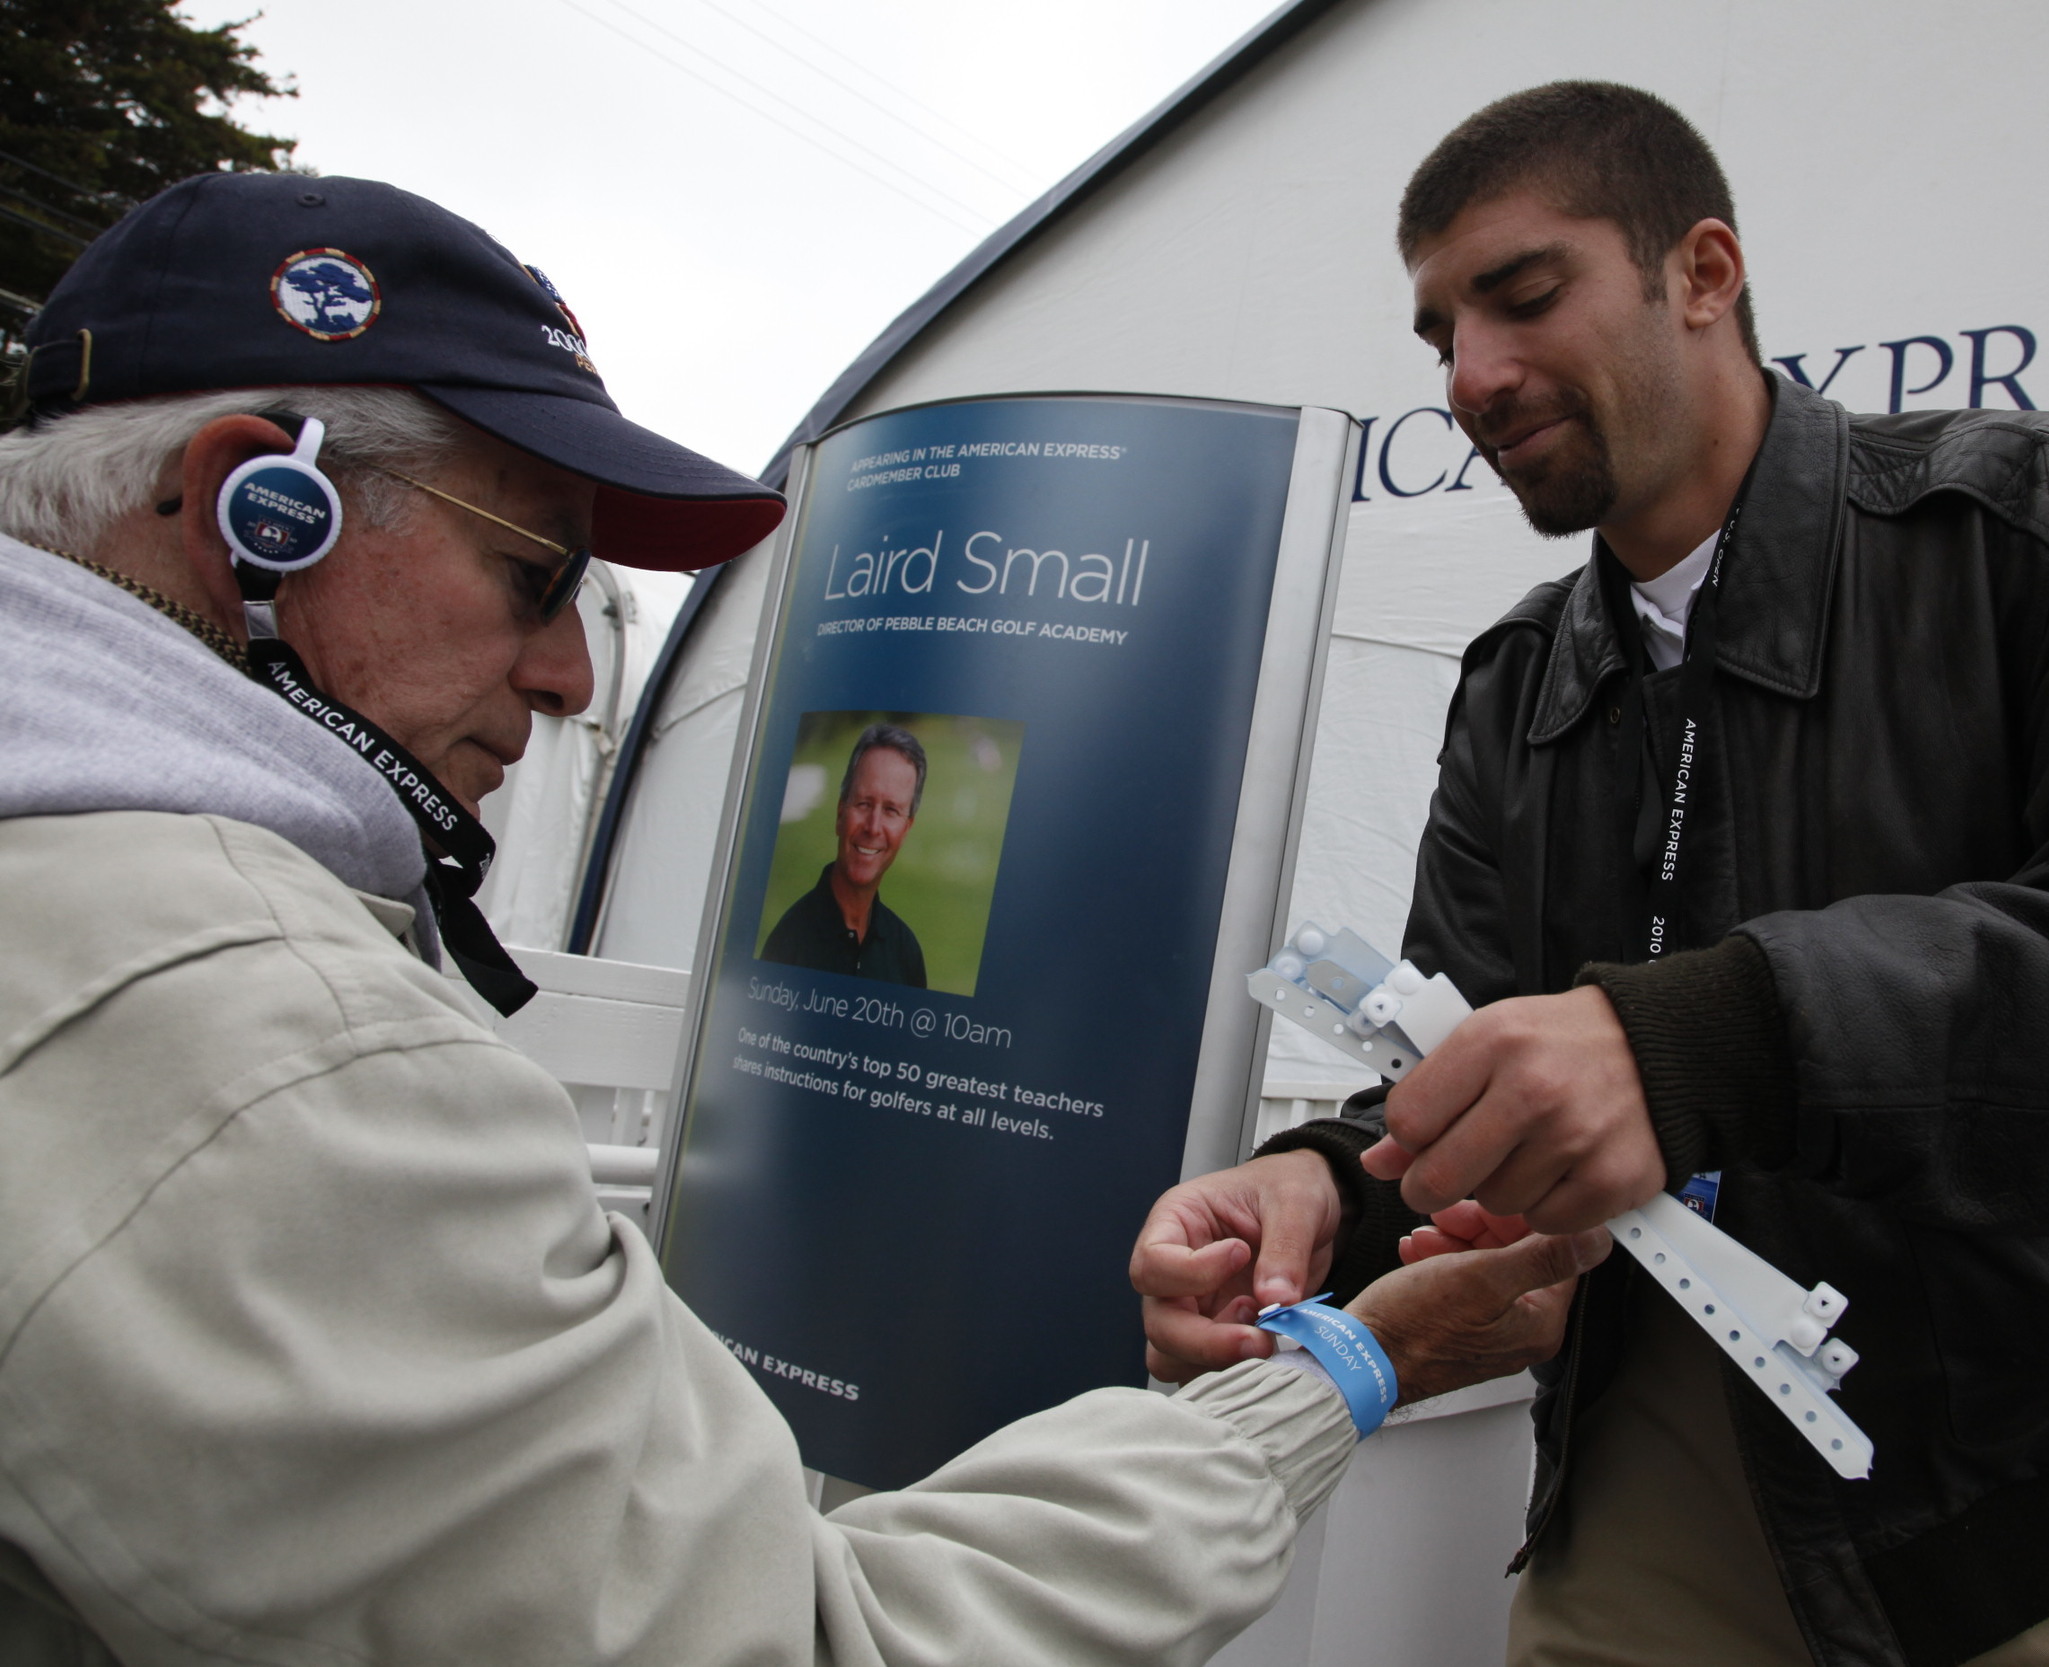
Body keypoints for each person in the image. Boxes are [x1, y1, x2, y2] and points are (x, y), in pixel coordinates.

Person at [0, 170, 1615, 1666]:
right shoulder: (271, 1042)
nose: (571, 677)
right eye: (535, 575)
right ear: (257, 513)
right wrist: (1341, 1372)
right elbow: (820, 1637)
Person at [1132, 82, 2049, 1667]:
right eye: (1441, 332)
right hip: (1642, 1492)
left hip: (2025, 1518)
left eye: (1524, 297)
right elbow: (1448, 1063)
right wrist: (1323, 1188)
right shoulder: (1521, 678)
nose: (1474, 377)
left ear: (1703, 272)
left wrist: (1712, 1038)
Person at [761, 724, 930, 986]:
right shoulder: (788, 946)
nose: (873, 827)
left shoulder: (906, 952)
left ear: (906, 829)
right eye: (863, 804)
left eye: (891, 810)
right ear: (840, 813)